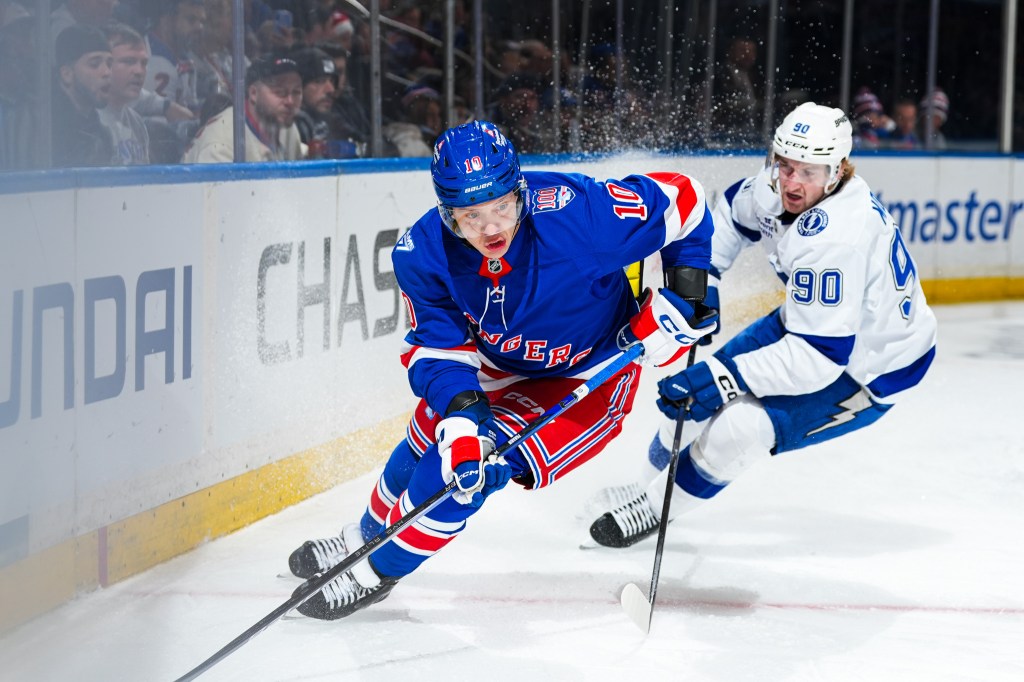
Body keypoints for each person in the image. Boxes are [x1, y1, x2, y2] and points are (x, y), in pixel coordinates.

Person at [286, 120, 719, 620]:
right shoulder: (423, 252)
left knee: (470, 472)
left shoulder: (581, 217)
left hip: (590, 370)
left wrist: (688, 293)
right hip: (498, 363)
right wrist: (460, 419)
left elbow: (686, 200)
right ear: (447, 213)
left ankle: (372, 574)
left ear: (520, 191)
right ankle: (360, 540)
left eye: (502, 207)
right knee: (430, 439)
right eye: (471, 216)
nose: (491, 228)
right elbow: (439, 348)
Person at [584, 102, 938, 549]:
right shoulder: (776, 186)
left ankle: (652, 510)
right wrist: (704, 280)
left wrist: (723, 377)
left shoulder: (837, 238)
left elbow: (821, 358)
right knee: (690, 403)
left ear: (837, 171)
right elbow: (730, 216)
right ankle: (641, 488)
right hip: (811, 328)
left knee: (739, 430)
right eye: (785, 165)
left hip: (874, 366)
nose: (791, 182)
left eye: (807, 172)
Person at [181, 53, 305, 162]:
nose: (290, 101)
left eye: (296, 92)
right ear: (254, 94)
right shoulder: (220, 143)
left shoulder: (285, 125)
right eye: (280, 92)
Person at [51, 24, 114, 168]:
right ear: (67, 74)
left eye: (109, 64)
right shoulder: (40, 127)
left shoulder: (102, 135)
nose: (107, 72)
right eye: (94, 64)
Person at [100, 23, 150, 165]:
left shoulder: (137, 123)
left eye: (144, 63)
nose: (139, 71)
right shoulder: (91, 120)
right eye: (128, 61)